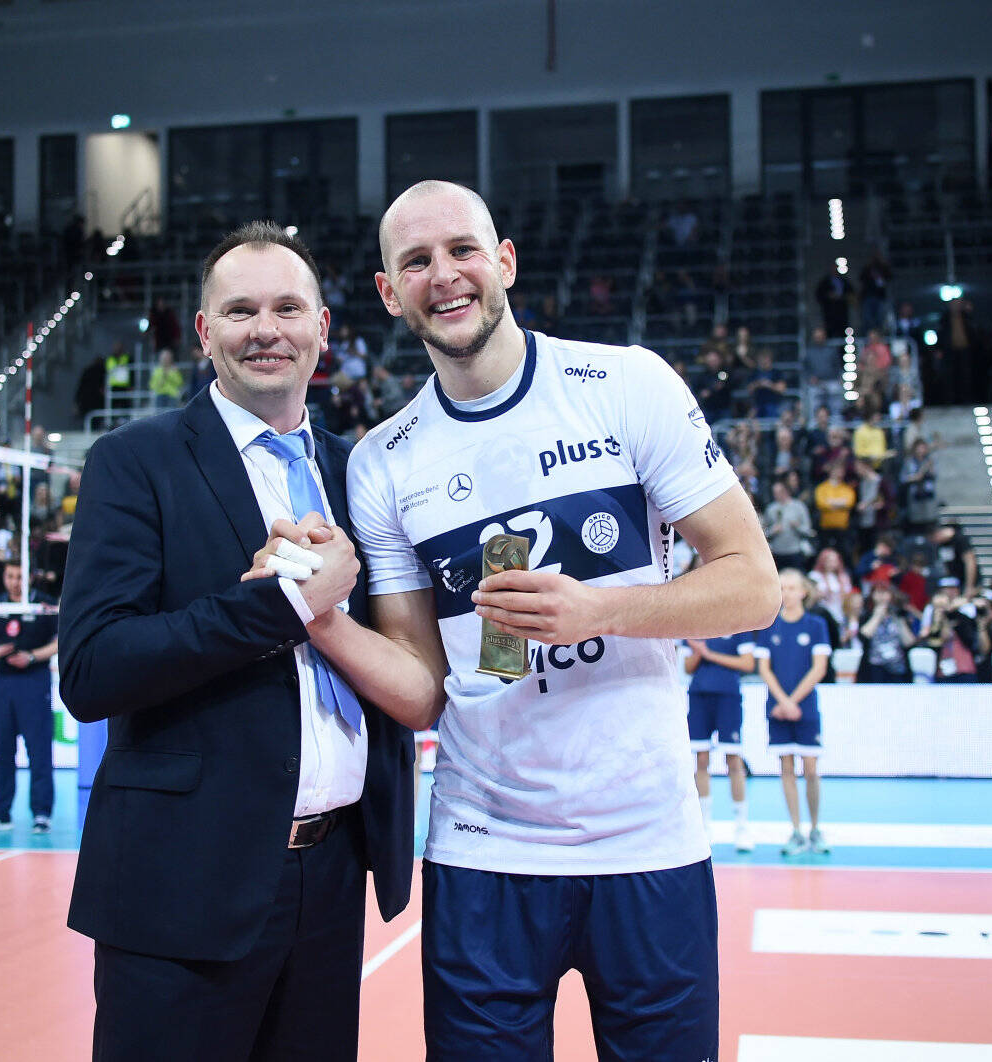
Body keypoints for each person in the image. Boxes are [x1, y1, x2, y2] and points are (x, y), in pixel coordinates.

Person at [333, 181, 778, 1059]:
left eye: (462, 249)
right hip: (482, 850)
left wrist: (599, 608)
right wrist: (315, 618)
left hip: (648, 840)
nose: (443, 275)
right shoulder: (381, 461)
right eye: (415, 262)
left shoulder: (625, 384)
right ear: (389, 292)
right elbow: (421, 691)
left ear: (504, 260)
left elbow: (754, 585)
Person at [57, 221, 416, 1061]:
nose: (266, 330)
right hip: (181, 884)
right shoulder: (134, 460)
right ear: (204, 331)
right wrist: (278, 605)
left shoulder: (360, 471)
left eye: (288, 308)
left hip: (333, 875)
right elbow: (93, 668)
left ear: (322, 328)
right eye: (240, 310)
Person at [0, 559, 59, 835]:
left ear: (30, 577)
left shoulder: (45, 604)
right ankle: (0, 813)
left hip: (34, 681)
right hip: (2, 683)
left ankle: (42, 813)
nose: (14, 582)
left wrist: (32, 656)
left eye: (20, 576)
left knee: (39, 750)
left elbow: (60, 641)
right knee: (2, 751)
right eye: (10, 576)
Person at [754, 570, 831, 856]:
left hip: (805, 708)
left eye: (791, 588)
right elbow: (764, 669)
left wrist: (793, 701)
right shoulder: (769, 625)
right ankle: (796, 831)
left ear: (803, 592)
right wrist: (783, 702)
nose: (786, 593)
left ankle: (815, 828)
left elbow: (819, 668)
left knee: (810, 768)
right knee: (786, 768)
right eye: (782, 588)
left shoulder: (816, 625)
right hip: (778, 708)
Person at [684, 631, 755, 853]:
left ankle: (741, 827)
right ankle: (704, 826)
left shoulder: (737, 624)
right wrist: (699, 653)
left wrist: (709, 654)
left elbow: (747, 663)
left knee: (733, 760)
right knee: (701, 760)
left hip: (728, 696)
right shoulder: (694, 624)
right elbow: (688, 667)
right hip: (699, 695)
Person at [856, 582, 915, 683]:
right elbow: (864, 636)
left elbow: (909, 642)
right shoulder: (866, 615)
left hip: (898, 668)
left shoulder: (900, 615)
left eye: (885, 592)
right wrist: (877, 616)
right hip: (873, 669)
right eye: (878, 592)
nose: (881, 596)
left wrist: (898, 619)